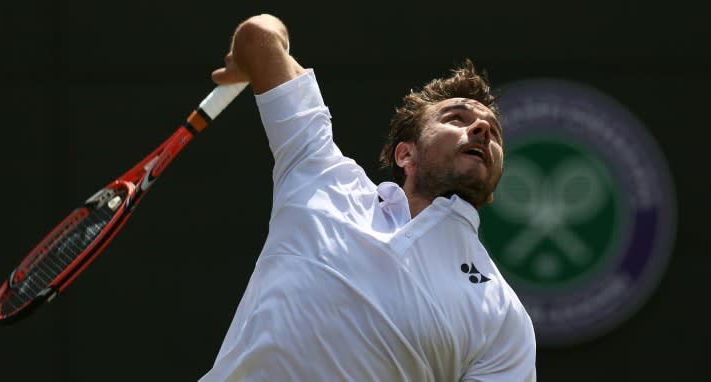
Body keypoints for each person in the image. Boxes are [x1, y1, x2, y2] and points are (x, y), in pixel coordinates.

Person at [199, 13, 536, 382]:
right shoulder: (322, 176)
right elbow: (261, 36)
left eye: (495, 133)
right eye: (455, 117)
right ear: (405, 154)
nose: (482, 128)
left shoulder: (505, 318)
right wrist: (250, 59)